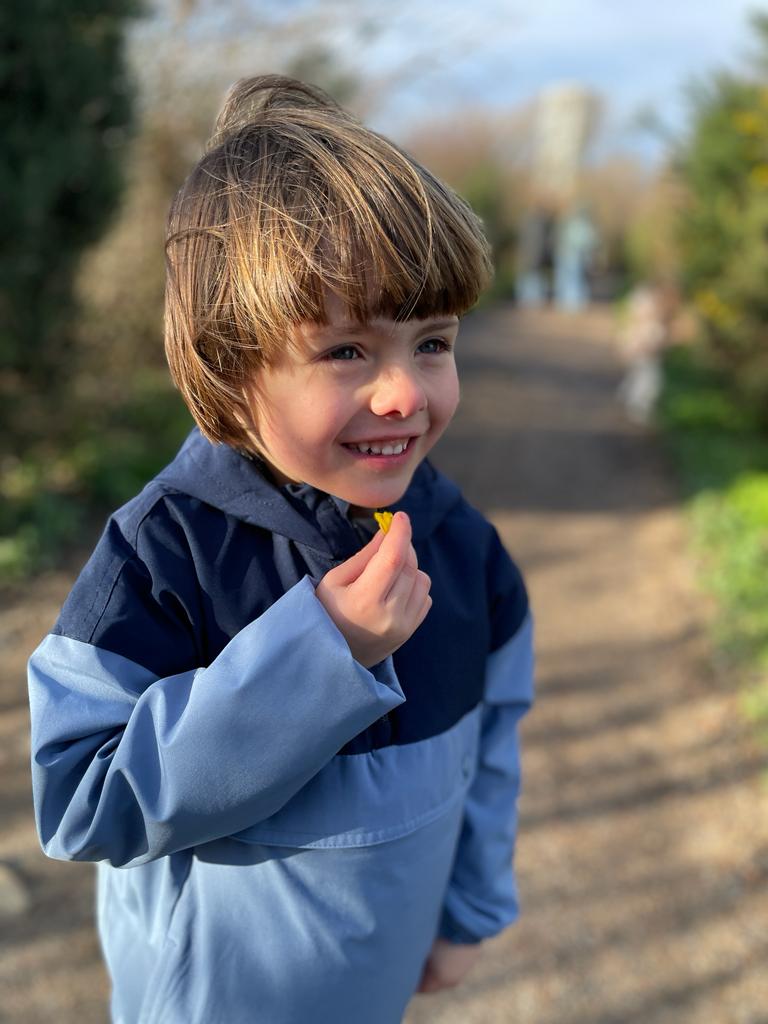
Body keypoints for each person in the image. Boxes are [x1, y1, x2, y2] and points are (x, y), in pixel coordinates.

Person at [27, 76, 534, 1024]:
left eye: (432, 342)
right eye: (347, 351)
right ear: (230, 363)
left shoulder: (462, 547)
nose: (404, 394)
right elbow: (81, 801)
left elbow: (491, 741)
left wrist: (469, 910)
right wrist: (324, 653)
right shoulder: (161, 557)